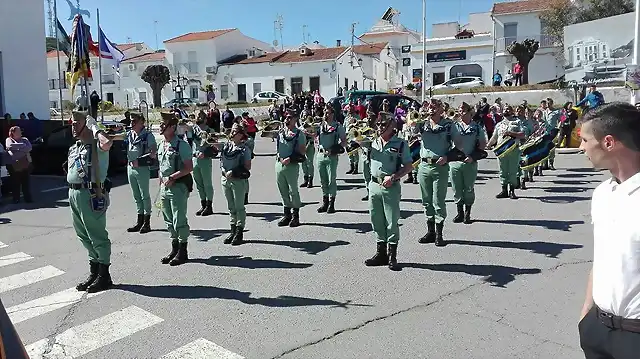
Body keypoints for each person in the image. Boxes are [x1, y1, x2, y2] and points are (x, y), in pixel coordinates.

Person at [577, 102, 640, 358]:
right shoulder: (602, 192)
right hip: (597, 330)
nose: (581, 147)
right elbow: (601, 256)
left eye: (584, 140)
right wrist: (586, 313)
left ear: (609, 143)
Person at [67, 111, 114, 293]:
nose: (73, 125)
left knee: (97, 235)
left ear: (86, 124)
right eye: (72, 122)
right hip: (74, 193)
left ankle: (104, 274)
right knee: (83, 235)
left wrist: (95, 127)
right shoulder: (76, 147)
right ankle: (94, 272)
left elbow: (107, 142)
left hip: (91, 194)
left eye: (77, 122)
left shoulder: (97, 145)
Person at [362, 113, 413, 271]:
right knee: (376, 219)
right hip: (374, 185)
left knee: (391, 221)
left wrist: (394, 177)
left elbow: (408, 166)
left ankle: (392, 256)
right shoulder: (371, 141)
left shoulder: (400, 144)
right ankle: (381, 253)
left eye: (383, 124)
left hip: (390, 185)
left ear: (392, 125)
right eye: (378, 124)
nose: (379, 127)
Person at [157, 113, 193, 266]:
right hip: (164, 187)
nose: (160, 125)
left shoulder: (181, 145)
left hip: (178, 186)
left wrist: (172, 177)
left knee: (179, 219)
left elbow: (188, 167)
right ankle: (175, 248)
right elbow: (161, 166)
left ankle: (183, 251)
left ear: (172, 127)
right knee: (168, 219)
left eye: (163, 123)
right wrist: (162, 180)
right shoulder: (161, 144)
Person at [417, 99, 452, 247]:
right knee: (426, 200)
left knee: (438, 200)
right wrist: (415, 119)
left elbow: (459, 144)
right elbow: (408, 130)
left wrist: (448, 157)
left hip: (439, 166)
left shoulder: (449, 125)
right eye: (429, 107)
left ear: (441, 109)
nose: (431, 109)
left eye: (434, 107)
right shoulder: (422, 124)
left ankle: (439, 233)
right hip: (424, 165)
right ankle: (430, 231)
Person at [450, 102, 487, 224]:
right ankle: (459, 212)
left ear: (470, 112)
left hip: (470, 161)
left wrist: (473, 157)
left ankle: (467, 213)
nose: (461, 112)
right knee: (456, 188)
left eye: (463, 110)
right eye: (459, 110)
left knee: (469, 188)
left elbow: (482, 144)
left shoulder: (476, 127)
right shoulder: (454, 126)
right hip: (455, 162)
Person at [220, 123, 252, 245]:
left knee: (239, 207)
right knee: (231, 207)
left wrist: (233, 172)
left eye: (234, 132)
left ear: (240, 135)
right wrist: (224, 171)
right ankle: (232, 230)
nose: (232, 133)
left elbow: (248, 166)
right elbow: (221, 161)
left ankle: (239, 232)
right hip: (225, 179)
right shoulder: (226, 146)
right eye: (231, 131)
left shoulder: (244, 149)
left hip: (237, 180)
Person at [125, 113, 156, 233]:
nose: (132, 123)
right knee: (136, 196)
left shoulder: (147, 135)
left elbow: (153, 152)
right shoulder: (129, 134)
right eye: (131, 121)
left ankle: (147, 223)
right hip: (130, 168)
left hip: (141, 168)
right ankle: (139, 221)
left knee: (144, 196)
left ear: (141, 122)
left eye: (134, 121)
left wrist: (140, 161)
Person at [275, 112, 306, 227]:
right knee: (282, 189)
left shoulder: (299, 134)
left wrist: (290, 158)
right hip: (279, 164)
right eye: (286, 117)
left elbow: (302, 151)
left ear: (295, 119)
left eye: (289, 118)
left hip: (291, 165)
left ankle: (295, 216)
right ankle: (286, 214)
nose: (287, 119)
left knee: (293, 190)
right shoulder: (281, 132)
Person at [487, 106, 525, 199]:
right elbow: (494, 137)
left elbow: (522, 134)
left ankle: (512, 191)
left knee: (512, 171)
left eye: (508, 109)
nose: (506, 110)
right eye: (504, 108)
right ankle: (504, 190)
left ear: (512, 111)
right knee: (502, 171)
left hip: (513, 150)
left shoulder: (517, 122)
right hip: (501, 151)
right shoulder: (499, 124)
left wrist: (511, 133)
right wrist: (488, 144)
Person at [316, 104, 346, 214]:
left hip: (331, 156)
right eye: (324, 111)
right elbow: (315, 135)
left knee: (331, 180)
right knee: (322, 180)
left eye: (328, 112)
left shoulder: (338, 126)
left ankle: (332, 203)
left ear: (332, 114)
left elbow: (344, 141)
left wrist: (337, 149)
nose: (325, 114)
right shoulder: (320, 125)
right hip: (320, 155)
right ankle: (325, 202)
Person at [191, 116, 215, 216]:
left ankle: (209, 206)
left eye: (200, 117)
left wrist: (205, 153)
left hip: (205, 159)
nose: (198, 119)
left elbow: (215, 146)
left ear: (205, 119)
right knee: (199, 184)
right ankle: (203, 204)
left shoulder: (210, 131)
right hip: (195, 159)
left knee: (207, 183)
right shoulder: (193, 130)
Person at [5, 126, 33, 204]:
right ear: (13, 133)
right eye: (18, 131)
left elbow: (29, 148)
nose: (20, 132)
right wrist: (23, 147)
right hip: (14, 165)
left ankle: (28, 198)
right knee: (15, 182)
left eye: (20, 131)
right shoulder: (9, 140)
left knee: (26, 182)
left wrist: (17, 149)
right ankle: (16, 198)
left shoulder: (25, 139)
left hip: (25, 164)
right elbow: (10, 146)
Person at [543, 98, 562, 170]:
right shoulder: (544, 112)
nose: (547, 105)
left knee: (551, 148)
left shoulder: (556, 112)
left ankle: (551, 163)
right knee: (545, 147)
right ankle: (545, 164)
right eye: (547, 103)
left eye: (549, 103)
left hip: (553, 131)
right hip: (545, 132)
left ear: (551, 103)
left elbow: (562, 118)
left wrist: (559, 126)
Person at [299, 113, 317, 188]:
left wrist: (307, 133)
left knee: (309, 163)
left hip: (310, 145)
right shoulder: (302, 127)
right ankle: (305, 179)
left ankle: (310, 180)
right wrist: (303, 129)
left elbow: (314, 135)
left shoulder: (313, 127)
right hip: (303, 145)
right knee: (303, 163)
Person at [344, 105, 361, 175]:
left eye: (351, 109)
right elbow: (344, 126)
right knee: (349, 153)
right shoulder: (346, 118)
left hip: (354, 136)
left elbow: (359, 126)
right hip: (348, 136)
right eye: (348, 109)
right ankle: (351, 167)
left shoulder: (357, 117)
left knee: (355, 153)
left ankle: (356, 168)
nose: (349, 110)